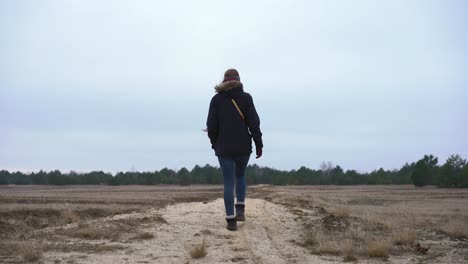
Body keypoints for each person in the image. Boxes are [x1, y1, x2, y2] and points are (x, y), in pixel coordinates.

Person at [206, 69, 263, 231]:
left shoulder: (216, 100)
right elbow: (254, 124)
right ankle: (240, 210)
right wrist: (259, 144)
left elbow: (211, 127)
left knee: (228, 182)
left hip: (223, 148)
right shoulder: (246, 98)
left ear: (224, 81)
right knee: (240, 175)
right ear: (239, 81)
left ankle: (231, 221)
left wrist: (214, 143)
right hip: (243, 147)